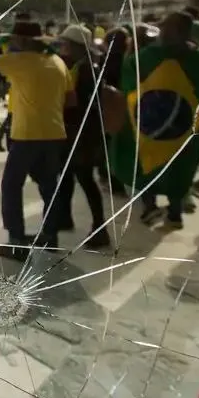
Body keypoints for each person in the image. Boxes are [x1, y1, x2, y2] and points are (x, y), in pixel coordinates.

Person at [0, 20, 71, 259]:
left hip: (28, 134)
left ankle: (17, 243)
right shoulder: (57, 62)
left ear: (23, 41)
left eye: (14, 39)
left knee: (11, 185)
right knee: (48, 185)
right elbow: (70, 99)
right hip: (55, 133)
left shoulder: (22, 60)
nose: (11, 43)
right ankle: (50, 236)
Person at [109, 10, 199, 229]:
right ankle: (173, 214)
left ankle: (151, 208)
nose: (162, 31)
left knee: (146, 164)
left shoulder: (146, 57)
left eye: (166, 27)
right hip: (182, 129)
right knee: (178, 167)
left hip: (149, 127)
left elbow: (129, 85)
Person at [55, 25, 110, 249]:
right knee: (66, 175)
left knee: (85, 179)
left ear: (76, 46)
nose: (63, 46)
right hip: (76, 131)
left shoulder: (88, 70)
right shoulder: (81, 66)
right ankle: (65, 218)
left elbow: (84, 105)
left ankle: (100, 228)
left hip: (83, 133)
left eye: (66, 43)